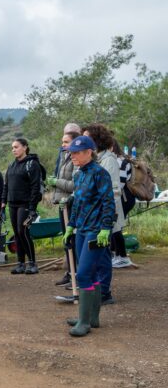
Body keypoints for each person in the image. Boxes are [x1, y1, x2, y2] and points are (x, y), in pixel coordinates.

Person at [62, 135, 116, 337]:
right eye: (71, 153)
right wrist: (71, 225)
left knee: (83, 273)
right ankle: (91, 318)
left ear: (88, 152)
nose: (72, 156)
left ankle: (83, 323)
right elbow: (77, 203)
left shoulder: (100, 173)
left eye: (76, 153)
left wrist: (106, 227)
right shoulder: (79, 175)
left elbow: (108, 202)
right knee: (90, 274)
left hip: (96, 230)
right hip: (82, 229)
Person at [82, 124, 121, 304]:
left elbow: (112, 192)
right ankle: (96, 292)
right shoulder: (96, 160)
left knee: (103, 254)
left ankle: (104, 292)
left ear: (97, 139)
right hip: (92, 217)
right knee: (98, 254)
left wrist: (105, 222)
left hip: (104, 216)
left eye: (87, 137)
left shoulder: (109, 160)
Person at [1, 138, 43, 274]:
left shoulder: (32, 164)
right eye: (12, 147)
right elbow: (6, 186)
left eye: (16, 147)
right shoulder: (11, 165)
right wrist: (3, 202)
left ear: (25, 147)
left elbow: (35, 187)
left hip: (25, 204)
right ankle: (21, 263)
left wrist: (32, 208)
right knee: (17, 234)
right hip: (12, 204)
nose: (13, 149)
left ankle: (32, 263)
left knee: (22, 231)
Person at [46, 130, 80, 286]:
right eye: (62, 142)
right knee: (66, 240)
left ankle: (77, 274)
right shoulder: (63, 157)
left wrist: (56, 182)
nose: (63, 145)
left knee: (72, 239)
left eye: (66, 142)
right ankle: (70, 273)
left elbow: (74, 184)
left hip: (71, 203)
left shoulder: (76, 160)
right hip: (61, 203)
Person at [111, 140, 135, 268]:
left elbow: (119, 183)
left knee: (116, 227)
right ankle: (116, 255)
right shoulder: (117, 160)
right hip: (122, 198)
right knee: (114, 226)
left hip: (124, 198)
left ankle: (122, 257)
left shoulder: (120, 161)